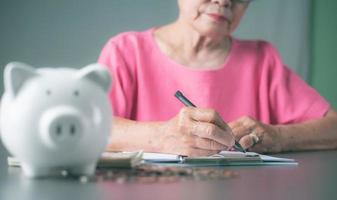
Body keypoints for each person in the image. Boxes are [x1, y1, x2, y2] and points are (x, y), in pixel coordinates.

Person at [98, 0, 337, 156]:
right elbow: (92, 128)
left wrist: (278, 136)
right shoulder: (125, 52)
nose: (224, 1)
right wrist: (161, 137)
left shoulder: (262, 59)